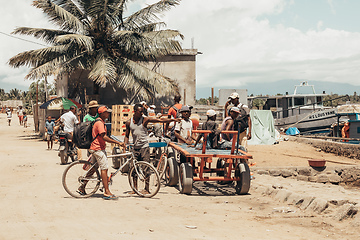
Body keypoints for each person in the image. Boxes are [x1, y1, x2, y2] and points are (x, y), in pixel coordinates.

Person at [125, 103, 178, 194]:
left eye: (142, 112)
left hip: (144, 147)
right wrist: (125, 145)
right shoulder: (129, 122)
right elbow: (126, 135)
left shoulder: (145, 120)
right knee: (134, 169)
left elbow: (159, 120)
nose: (142, 113)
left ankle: (146, 188)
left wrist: (173, 119)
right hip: (135, 148)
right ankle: (134, 189)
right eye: (140, 112)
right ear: (135, 112)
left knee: (146, 168)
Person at [80, 106, 125, 200]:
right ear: (101, 113)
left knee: (93, 169)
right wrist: (118, 143)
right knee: (104, 169)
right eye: (106, 112)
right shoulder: (100, 123)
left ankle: (82, 187)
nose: (108, 114)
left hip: (96, 148)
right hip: (98, 149)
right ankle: (106, 191)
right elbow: (104, 137)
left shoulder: (99, 121)